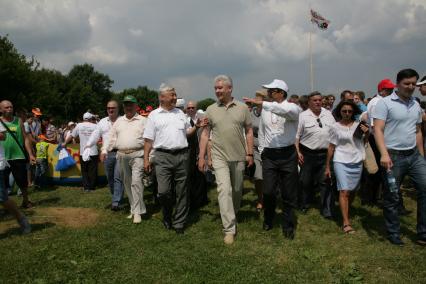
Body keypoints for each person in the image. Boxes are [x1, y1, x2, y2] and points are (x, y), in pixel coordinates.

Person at [373, 68, 426, 246]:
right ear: (398, 84)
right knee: (392, 196)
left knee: (424, 190)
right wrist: (384, 154)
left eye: (413, 84)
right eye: (407, 83)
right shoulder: (385, 103)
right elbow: (378, 130)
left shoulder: (416, 104)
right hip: (393, 156)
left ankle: (423, 232)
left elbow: (417, 131)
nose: (411, 87)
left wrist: (421, 155)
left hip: (414, 155)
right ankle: (394, 232)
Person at [199, 75, 253, 244]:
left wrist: (249, 153)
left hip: (238, 156)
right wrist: (202, 156)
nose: (217, 91)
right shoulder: (210, 109)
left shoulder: (243, 108)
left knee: (237, 190)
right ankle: (229, 229)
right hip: (218, 155)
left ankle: (233, 213)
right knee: (224, 190)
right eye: (215, 88)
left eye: (220, 88)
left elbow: (249, 131)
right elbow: (205, 134)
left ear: (230, 89)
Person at [244, 79, 300, 240]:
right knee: (268, 191)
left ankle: (288, 225)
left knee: (288, 193)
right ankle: (269, 219)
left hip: (288, 154)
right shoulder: (266, 110)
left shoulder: (292, 108)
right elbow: (262, 131)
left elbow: (284, 111)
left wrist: (262, 103)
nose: (268, 93)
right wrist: (262, 150)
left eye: (271, 91)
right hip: (270, 155)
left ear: (281, 93)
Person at [144, 84, 201, 234]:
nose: (176, 97)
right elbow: (148, 140)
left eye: (175, 95)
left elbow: (187, 133)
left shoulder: (181, 114)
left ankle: (179, 223)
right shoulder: (153, 115)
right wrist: (145, 159)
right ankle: (167, 214)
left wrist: (197, 127)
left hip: (182, 155)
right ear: (162, 97)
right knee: (163, 192)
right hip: (162, 156)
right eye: (173, 95)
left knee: (182, 190)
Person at [325, 100, 368, 234]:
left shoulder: (359, 126)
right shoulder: (335, 127)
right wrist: (327, 166)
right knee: (344, 191)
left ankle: (346, 207)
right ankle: (346, 222)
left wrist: (368, 133)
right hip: (340, 161)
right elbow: (331, 147)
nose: (347, 113)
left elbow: (365, 142)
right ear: (340, 112)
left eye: (350, 111)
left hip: (357, 160)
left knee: (353, 190)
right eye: (344, 111)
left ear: (353, 112)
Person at [296, 91, 336, 219]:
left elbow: (335, 133)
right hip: (307, 153)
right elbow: (296, 137)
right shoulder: (302, 116)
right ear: (309, 102)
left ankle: (327, 209)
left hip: (325, 154)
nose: (318, 102)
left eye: (319, 100)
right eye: (315, 100)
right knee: (305, 181)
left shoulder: (328, 114)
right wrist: (298, 152)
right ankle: (304, 204)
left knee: (326, 181)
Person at [108, 95, 147, 224]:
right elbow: (112, 137)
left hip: (138, 155)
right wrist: (105, 150)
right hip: (122, 155)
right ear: (123, 107)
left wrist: (149, 158)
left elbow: (149, 140)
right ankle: (133, 207)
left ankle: (137, 212)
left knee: (136, 182)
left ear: (136, 106)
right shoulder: (119, 121)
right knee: (127, 183)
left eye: (131, 104)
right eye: (126, 105)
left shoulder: (143, 120)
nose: (128, 107)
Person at [361, 79, 396, 207]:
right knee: (374, 170)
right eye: (389, 89)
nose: (392, 91)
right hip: (376, 138)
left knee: (378, 170)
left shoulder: (380, 101)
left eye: (392, 89)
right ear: (381, 90)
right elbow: (375, 126)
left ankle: (373, 197)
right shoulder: (377, 103)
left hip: (378, 137)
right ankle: (370, 198)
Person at [86, 100, 123, 211]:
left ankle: (116, 202)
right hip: (107, 153)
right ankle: (115, 196)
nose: (110, 110)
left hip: (121, 152)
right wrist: (88, 145)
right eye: (108, 108)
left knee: (118, 177)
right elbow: (95, 134)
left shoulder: (123, 120)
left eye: (113, 108)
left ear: (118, 109)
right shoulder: (102, 122)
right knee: (110, 177)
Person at [0, 100, 36, 208]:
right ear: (0, 109)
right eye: (6, 107)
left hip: (18, 155)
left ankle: (26, 201)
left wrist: (30, 154)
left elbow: (25, 138)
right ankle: (6, 204)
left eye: (11, 107)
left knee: (22, 181)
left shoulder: (19, 121)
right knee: (3, 183)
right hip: (2, 158)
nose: (9, 109)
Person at [0, 121, 31, 234]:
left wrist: (30, 154)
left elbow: (3, 136)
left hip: (8, 159)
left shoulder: (17, 121)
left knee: (2, 198)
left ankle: (21, 218)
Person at [62, 112, 98, 192]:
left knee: (84, 170)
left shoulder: (79, 126)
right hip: (93, 151)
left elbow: (72, 135)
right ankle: (92, 187)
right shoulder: (95, 126)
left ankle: (86, 187)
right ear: (90, 119)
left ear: (83, 118)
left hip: (83, 151)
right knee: (93, 170)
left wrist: (65, 143)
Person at [186, 100, 208, 211]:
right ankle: (192, 200)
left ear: (196, 108)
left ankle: (202, 199)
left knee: (201, 175)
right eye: (189, 108)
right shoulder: (184, 120)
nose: (191, 109)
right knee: (190, 176)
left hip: (200, 149)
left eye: (193, 108)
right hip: (188, 151)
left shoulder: (202, 119)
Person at [250, 89, 267, 211]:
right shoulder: (251, 114)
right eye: (257, 98)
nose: (259, 100)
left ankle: (269, 197)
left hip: (269, 148)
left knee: (270, 176)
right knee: (258, 176)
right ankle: (260, 199)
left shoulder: (271, 112)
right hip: (255, 148)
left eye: (262, 98)